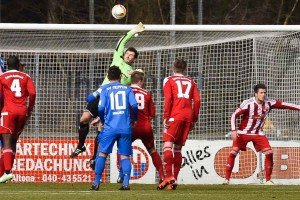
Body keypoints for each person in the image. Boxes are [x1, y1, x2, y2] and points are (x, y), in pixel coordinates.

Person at [70, 22, 145, 162]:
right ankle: (81, 146)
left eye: (131, 55)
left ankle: (94, 158)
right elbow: (122, 41)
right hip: (101, 94)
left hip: (113, 102)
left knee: (101, 129)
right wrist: (134, 30)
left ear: (134, 59)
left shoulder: (131, 73)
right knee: (84, 119)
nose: (128, 56)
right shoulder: (117, 58)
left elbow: (131, 88)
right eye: (127, 53)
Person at [223, 83, 300, 185]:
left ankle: (267, 180)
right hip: (243, 132)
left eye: (264, 92)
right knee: (234, 152)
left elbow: (284, 105)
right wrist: (233, 130)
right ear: (255, 93)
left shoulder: (268, 103)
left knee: (269, 153)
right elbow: (234, 115)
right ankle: (226, 179)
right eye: (261, 93)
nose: (263, 95)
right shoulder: (248, 103)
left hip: (258, 133)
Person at [89, 66, 138, 191]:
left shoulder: (105, 89)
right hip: (125, 127)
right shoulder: (127, 89)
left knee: (102, 153)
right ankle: (126, 183)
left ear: (108, 76)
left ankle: (96, 182)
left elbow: (100, 108)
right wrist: (134, 119)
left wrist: (103, 121)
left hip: (110, 127)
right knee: (125, 156)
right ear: (120, 76)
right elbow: (134, 105)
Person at [157, 58, 201, 190]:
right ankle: (174, 180)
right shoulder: (191, 81)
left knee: (167, 145)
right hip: (188, 116)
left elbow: (169, 99)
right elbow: (197, 101)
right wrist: (194, 118)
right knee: (178, 149)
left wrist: (166, 116)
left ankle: (169, 176)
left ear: (173, 67)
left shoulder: (169, 80)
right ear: (185, 69)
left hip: (174, 115)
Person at [117, 70, 165, 183]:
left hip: (130, 127)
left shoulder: (125, 91)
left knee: (123, 150)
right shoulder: (147, 93)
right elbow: (152, 114)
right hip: (145, 127)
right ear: (140, 81)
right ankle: (162, 177)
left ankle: (122, 176)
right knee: (153, 150)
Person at [0, 55, 36, 183]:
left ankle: (8, 172)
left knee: (6, 142)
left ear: (7, 66)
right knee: (13, 142)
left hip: (8, 111)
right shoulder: (26, 77)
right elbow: (32, 93)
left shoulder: (2, 77)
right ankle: (3, 175)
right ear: (18, 65)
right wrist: (29, 109)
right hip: (22, 112)